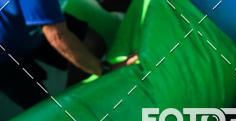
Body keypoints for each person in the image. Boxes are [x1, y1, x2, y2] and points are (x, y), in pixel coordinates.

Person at [0, 0, 137, 109]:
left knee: (92, 44)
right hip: (4, 54)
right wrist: (105, 70)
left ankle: (76, 99)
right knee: (40, 102)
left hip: (27, 27)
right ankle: (71, 111)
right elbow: (57, 37)